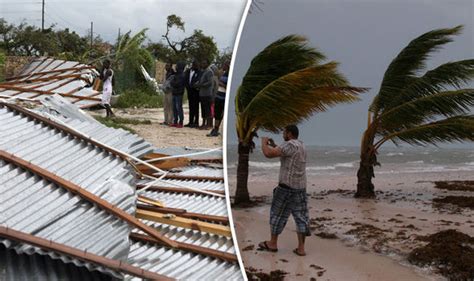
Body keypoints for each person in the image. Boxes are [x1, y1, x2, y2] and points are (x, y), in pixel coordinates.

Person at [257, 125, 310, 256]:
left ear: (290, 134)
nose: (282, 134)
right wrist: (274, 144)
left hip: (286, 188)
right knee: (301, 218)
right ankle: (301, 248)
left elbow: (268, 154)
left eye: (284, 132)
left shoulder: (290, 145)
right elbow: (284, 153)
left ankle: (273, 243)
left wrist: (263, 143)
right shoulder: (302, 145)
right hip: (300, 188)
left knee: (277, 215)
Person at [207, 62, 229, 137]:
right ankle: (215, 129)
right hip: (219, 95)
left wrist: (222, 84)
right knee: (217, 114)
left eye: (225, 65)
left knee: (220, 114)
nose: (223, 66)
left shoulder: (230, 74)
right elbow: (217, 76)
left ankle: (216, 129)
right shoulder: (224, 73)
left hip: (224, 97)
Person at [193, 59, 213, 130]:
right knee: (203, 109)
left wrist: (201, 85)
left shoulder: (209, 71)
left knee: (207, 110)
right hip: (202, 93)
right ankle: (203, 123)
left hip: (207, 93)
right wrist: (197, 83)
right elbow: (201, 80)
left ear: (207, 64)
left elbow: (210, 82)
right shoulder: (203, 71)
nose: (203, 65)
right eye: (202, 63)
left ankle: (208, 124)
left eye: (204, 63)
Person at [184, 60, 201, 128]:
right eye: (194, 65)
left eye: (196, 65)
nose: (195, 66)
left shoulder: (199, 72)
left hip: (196, 92)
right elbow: (186, 80)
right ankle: (190, 122)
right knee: (191, 107)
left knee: (196, 108)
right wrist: (188, 87)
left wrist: (194, 86)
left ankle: (196, 122)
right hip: (189, 91)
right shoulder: (188, 71)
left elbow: (198, 81)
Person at [170, 61, 186, 128]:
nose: (175, 67)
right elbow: (172, 82)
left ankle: (181, 122)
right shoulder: (176, 74)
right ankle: (175, 121)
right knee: (174, 108)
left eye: (177, 66)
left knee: (178, 108)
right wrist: (173, 83)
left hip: (179, 93)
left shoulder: (182, 75)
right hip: (174, 92)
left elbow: (176, 84)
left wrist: (173, 83)